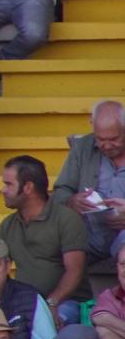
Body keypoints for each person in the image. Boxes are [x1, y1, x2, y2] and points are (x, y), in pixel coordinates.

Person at [0, 155, 91, 325]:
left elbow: (74, 271)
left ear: (28, 187)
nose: (3, 190)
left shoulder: (66, 219)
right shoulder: (7, 226)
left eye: (8, 184)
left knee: (46, 321)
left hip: (66, 303)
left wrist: (51, 303)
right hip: (25, 303)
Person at [52, 99, 125, 261]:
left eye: (113, 139)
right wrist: (72, 201)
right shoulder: (83, 147)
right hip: (89, 234)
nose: (106, 145)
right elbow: (60, 191)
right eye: (100, 139)